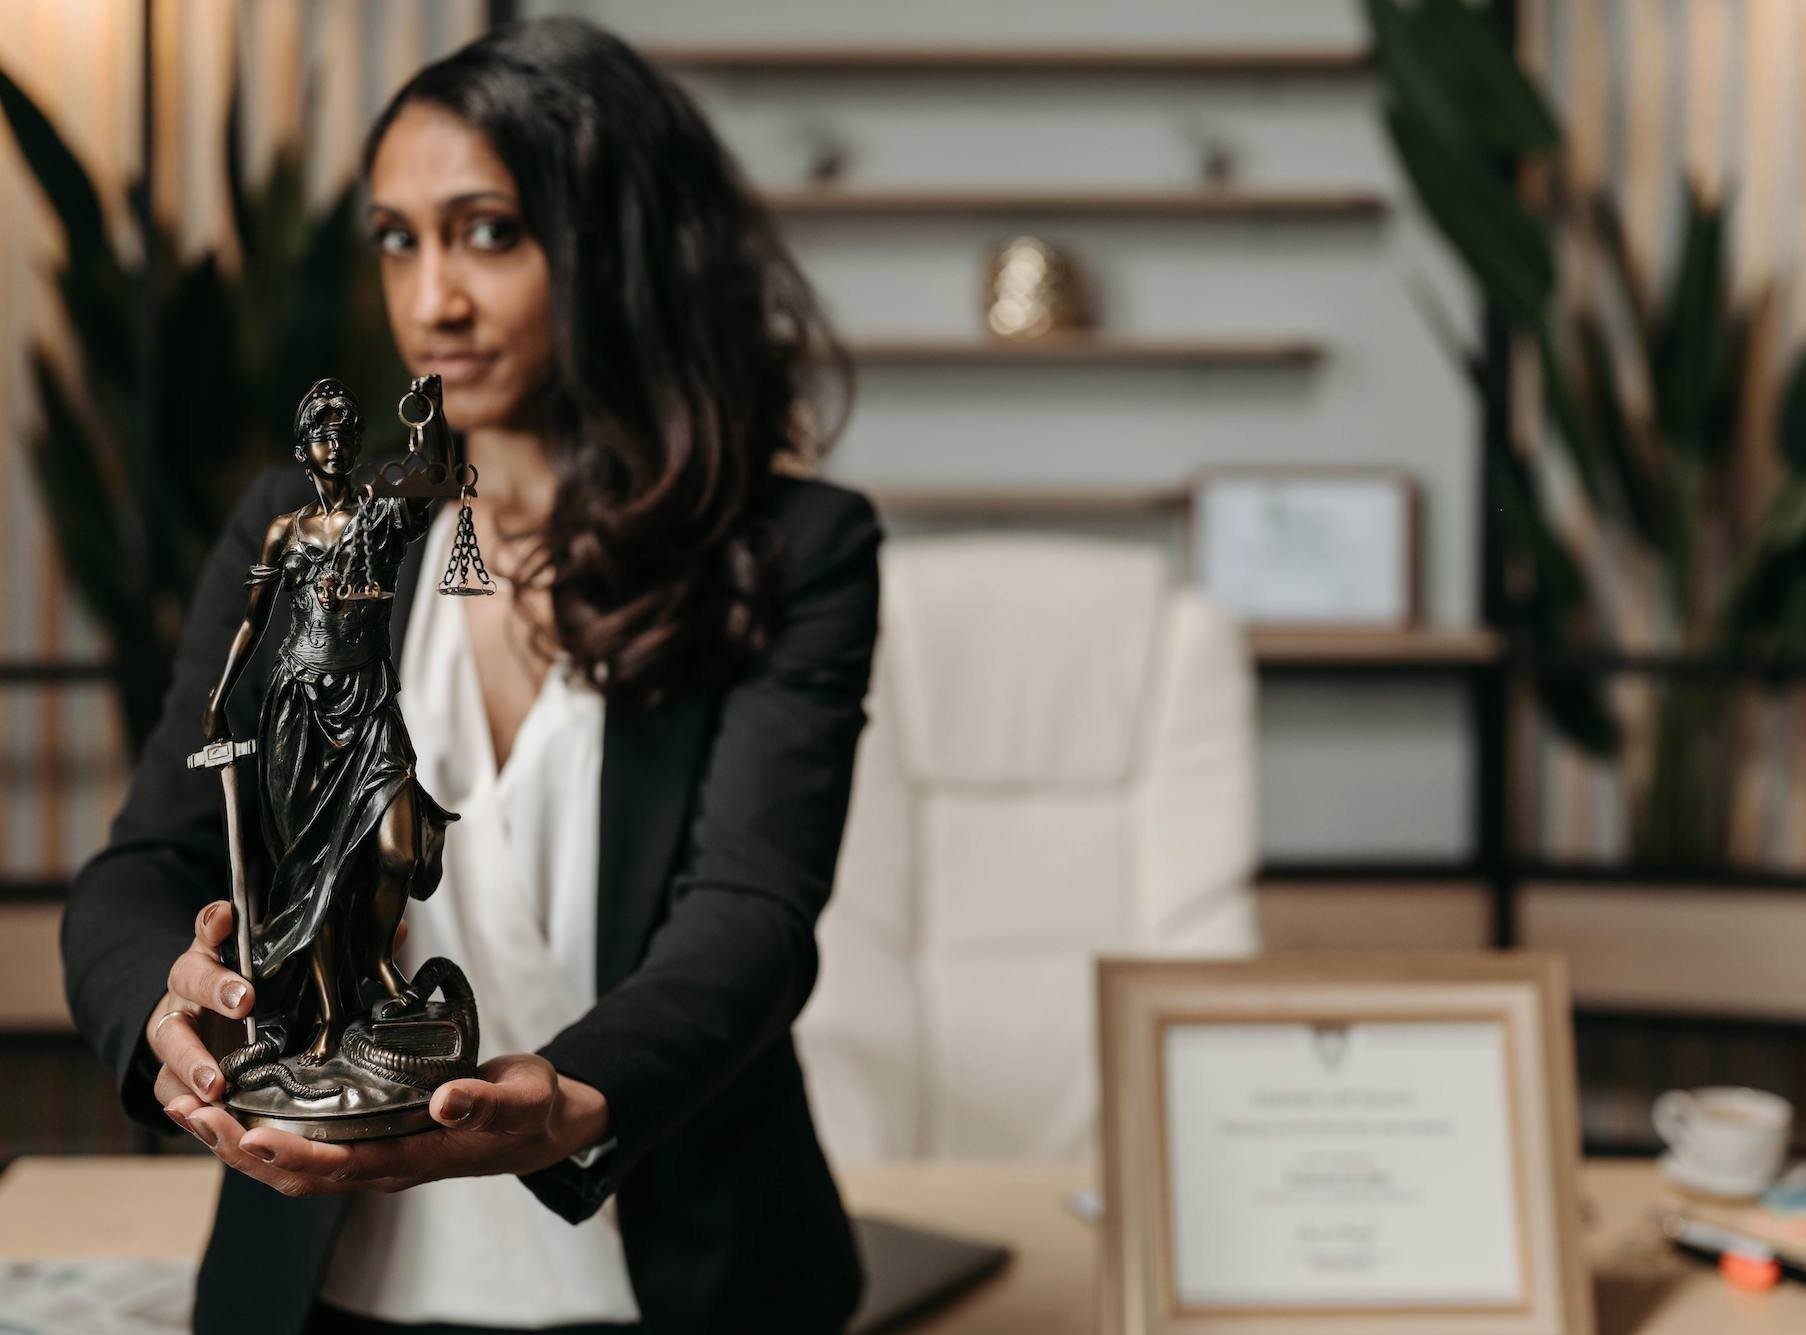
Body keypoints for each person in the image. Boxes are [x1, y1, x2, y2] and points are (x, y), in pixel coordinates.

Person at [60, 17, 878, 1335]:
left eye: (489, 231)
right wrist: (160, 1009)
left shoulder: (790, 551)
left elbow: (752, 917)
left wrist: (569, 1096)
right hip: (325, 1290)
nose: (432, 297)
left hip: (684, 1282)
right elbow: (143, 869)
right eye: (400, 238)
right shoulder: (298, 530)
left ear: (615, 245)